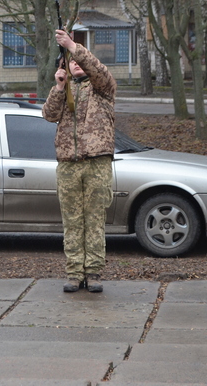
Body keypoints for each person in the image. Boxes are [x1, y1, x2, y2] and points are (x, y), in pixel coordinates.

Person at [42, 27, 117, 293]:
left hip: (96, 162)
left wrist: (73, 47)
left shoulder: (102, 89)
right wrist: (59, 86)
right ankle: (75, 272)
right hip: (68, 164)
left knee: (94, 220)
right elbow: (49, 115)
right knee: (72, 221)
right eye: (69, 61)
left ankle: (94, 272)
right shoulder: (67, 92)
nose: (74, 64)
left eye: (77, 60)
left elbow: (99, 71)